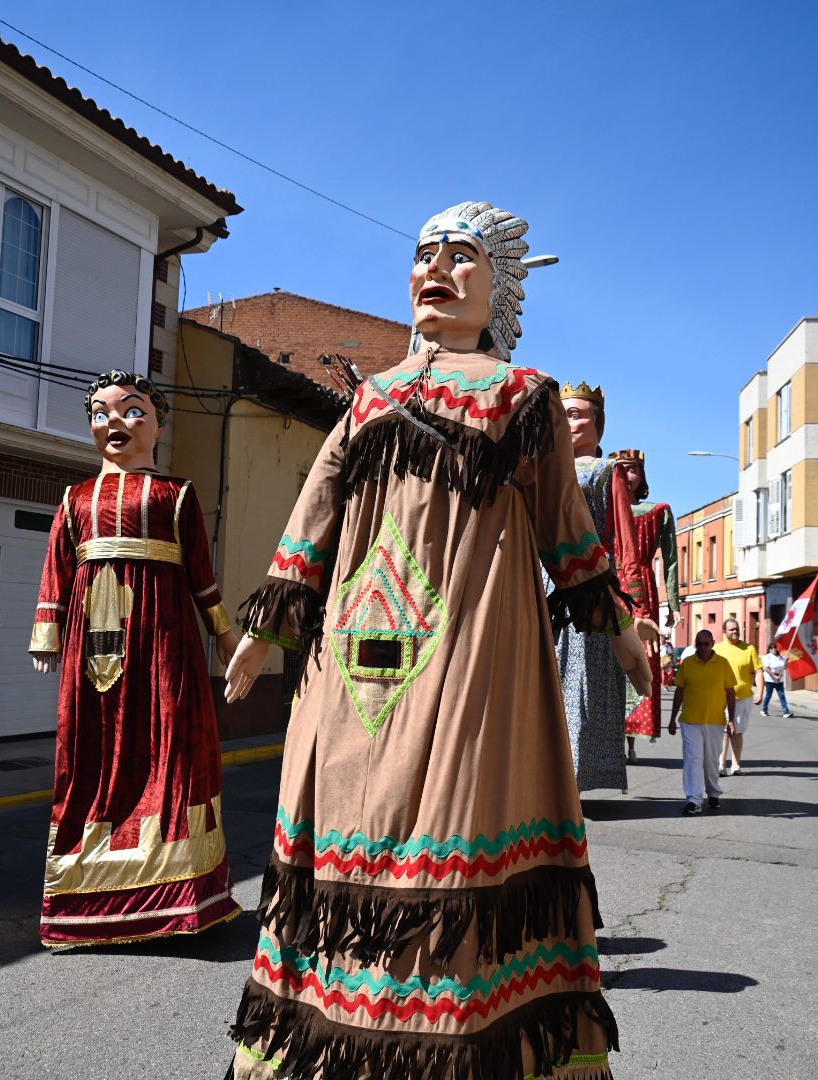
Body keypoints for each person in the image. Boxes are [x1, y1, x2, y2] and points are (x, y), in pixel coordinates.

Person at [222, 201, 650, 1078]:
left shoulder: (524, 396)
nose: (436, 269)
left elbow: (568, 532)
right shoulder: (371, 396)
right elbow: (316, 512)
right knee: (343, 813)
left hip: (473, 658)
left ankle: (454, 1038)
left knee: (456, 836)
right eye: (424, 255)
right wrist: (264, 630)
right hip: (351, 656)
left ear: (499, 289)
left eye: (462, 257)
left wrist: (617, 629)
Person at [29, 370, 241, 948]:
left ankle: (177, 897)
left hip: (165, 645)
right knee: (91, 756)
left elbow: (201, 575)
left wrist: (224, 636)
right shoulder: (75, 499)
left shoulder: (177, 496)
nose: (114, 422)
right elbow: (58, 568)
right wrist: (46, 632)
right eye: (100, 413)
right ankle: (84, 897)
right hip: (92, 645)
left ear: (158, 424)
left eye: (130, 410)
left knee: (171, 750)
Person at [556, 392, 659, 790]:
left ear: (596, 422)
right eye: (562, 415)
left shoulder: (607, 470)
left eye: (576, 415)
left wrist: (633, 603)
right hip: (544, 579)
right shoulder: (546, 466)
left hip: (590, 582)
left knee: (583, 684)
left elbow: (626, 542)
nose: (567, 423)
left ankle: (577, 778)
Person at [609, 450, 678, 763]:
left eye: (632, 469)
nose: (627, 475)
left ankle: (631, 738)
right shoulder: (599, 507)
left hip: (640, 592)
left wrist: (672, 603)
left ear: (642, 475)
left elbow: (672, 561)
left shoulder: (658, 511)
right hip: (607, 583)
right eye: (621, 469)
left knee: (638, 659)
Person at [668, 628, 735, 814]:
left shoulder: (723, 664)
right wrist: (672, 718)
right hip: (690, 721)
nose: (703, 647)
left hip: (715, 721)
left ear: (712, 644)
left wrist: (731, 720)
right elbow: (679, 691)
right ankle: (694, 799)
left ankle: (713, 793)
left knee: (711, 761)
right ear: (695, 644)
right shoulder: (687, 663)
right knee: (693, 759)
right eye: (699, 644)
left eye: (706, 644)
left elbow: (730, 692)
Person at [713, 617, 762, 774]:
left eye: (737, 629)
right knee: (725, 730)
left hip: (743, 697)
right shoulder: (717, 649)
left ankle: (736, 764)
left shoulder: (749, 649)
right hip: (722, 697)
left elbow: (759, 671)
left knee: (738, 731)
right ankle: (721, 764)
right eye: (732, 629)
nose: (735, 631)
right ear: (724, 632)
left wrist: (760, 692)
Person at [760, 641, 791, 717]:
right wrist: (774, 677)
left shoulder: (781, 658)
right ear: (769, 649)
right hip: (770, 680)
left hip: (779, 680)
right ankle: (764, 710)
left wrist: (786, 661)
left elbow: (785, 667)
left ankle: (785, 712)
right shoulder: (767, 657)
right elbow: (766, 668)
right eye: (772, 648)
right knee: (768, 695)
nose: (774, 649)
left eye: (775, 647)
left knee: (782, 695)